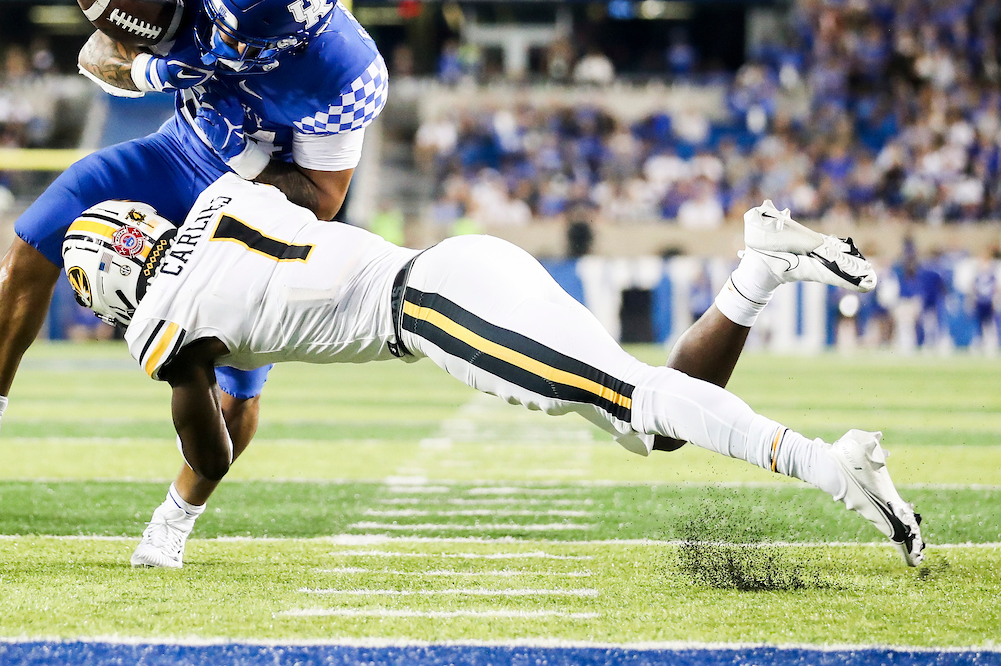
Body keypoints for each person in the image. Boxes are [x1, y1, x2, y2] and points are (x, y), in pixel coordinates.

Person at [46, 179, 919, 570]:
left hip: (430, 309)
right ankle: (759, 270)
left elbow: (213, 450)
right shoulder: (219, 198)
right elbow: (296, 196)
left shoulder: (160, 325)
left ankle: (829, 465)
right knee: (645, 422)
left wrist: (168, 512)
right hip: (457, 266)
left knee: (633, 397)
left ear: (111, 281)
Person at [0, 0, 388, 490]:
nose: (224, 43)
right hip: (177, 152)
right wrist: (150, 72)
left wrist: (242, 153)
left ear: (296, 40)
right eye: (219, 20)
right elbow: (97, 57)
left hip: (249, 204)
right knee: (40, 230)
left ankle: (175, 519)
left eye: (245, 41)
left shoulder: (345, 76)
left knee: (240, 380)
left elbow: (320, 202)